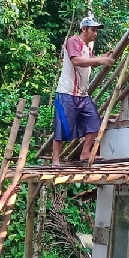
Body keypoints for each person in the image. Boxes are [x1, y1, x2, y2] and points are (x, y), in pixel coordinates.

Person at [52, 16, 116, 166]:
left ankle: (85, 152)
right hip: (67, 92)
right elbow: (77, 61)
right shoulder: (74, 41)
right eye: (93, 30)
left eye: (96, 31)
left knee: (94, 122)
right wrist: (100, 60)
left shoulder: (87, 47)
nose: (95, 33)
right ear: (84, 29)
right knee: (62, 127)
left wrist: (101, 58)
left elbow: (90, 62)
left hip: (82, 94)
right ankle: (55, 159)